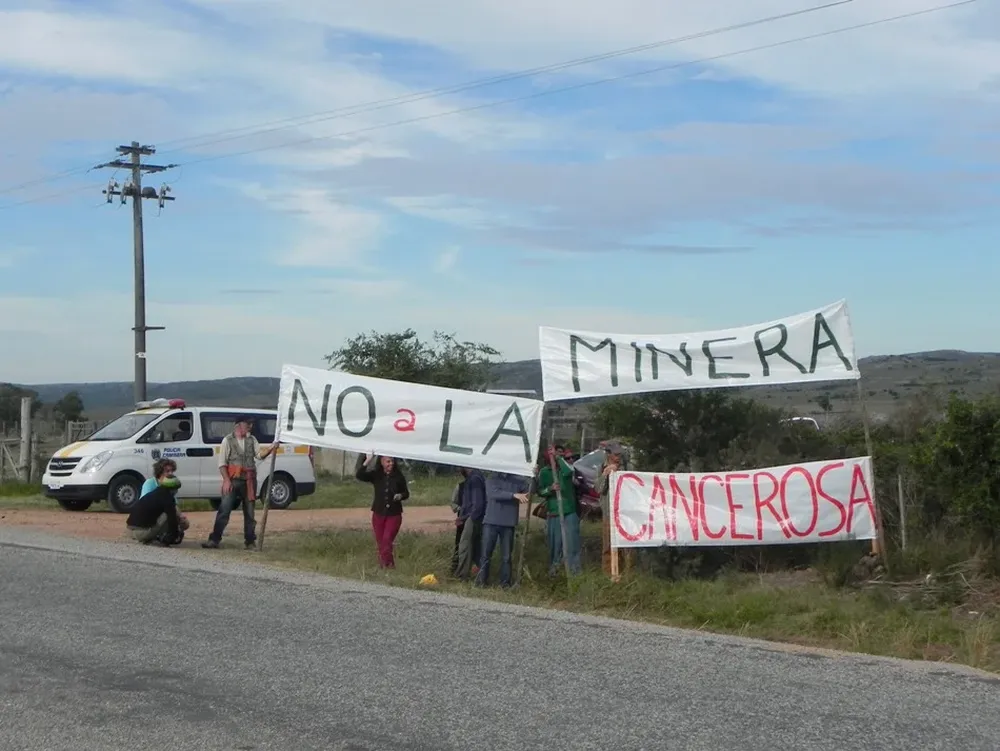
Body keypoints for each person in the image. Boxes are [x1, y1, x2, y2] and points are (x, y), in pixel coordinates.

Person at [202, 415, 280, 550]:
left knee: (250, 512)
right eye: (247, 424)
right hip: (233, 480)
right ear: (238, 425)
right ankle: (214, 539)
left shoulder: (252, 439)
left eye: (251, 424)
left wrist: (271, 448)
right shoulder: (227, 440)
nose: (250, 426)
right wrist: (226, 480)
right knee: (224, 510)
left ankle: (250, 541)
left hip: (249, 480)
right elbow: (222, 464)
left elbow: (259, 455)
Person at [475, 472, 530, 588]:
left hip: (508, 523)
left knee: (506, 556)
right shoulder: (492, 477)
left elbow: (530, 491)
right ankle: (481, 582)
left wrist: (534, 475)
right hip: (491, 522)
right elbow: (493, 493)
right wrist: (513, 495)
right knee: (485, 554)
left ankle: (505, 584)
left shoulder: (518, 479)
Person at [356, 452, 410, 568]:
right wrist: (367, 460)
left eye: (392, 461)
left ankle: (387, 567)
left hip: (394, 514)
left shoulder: (398, 476)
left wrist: (400, 495)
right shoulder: (377, 475)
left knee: (387, 540)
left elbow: (406, 493)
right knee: (381, 543)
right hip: (378, 513)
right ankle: (387, 566)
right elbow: (360, 475)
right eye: (388, 461)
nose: (391, 463)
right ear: (382, 462)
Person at [536, 446, 583, 576]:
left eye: (563, 455)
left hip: (569, 512)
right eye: (557, 454)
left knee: (572, 545)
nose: (562, 457)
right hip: (554, 512)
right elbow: (540, 491)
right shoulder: (545, 472)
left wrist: (558, 458)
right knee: (555, 546)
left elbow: (569, 472)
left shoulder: (566, 468)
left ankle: (574, 574)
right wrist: (550, 489)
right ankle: (554, 572)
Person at [594, 441, 632, 575]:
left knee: (627, 547)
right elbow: (598, 489)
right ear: (608, 454)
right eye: (615, 454)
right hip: (609, 514)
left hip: (625, 514)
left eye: (620, 454)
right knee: (608, 547)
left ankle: (627, 574)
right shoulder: (600, 468)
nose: (618, 457)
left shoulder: (627, 468)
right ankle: (609, 574)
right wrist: (606, 474)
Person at [126, 469, 187, 546]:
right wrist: (173, 536)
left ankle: (153, 536)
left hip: (130, 530)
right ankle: (157, 537)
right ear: (172, 489)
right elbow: (172, 520)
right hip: (140, 533)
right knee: (168, 515)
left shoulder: (155, 493)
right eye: (176, 489)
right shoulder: (167, 498)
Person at [454, 467, 486, 580]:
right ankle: (480, 575)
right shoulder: (473, 478)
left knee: (464, 546)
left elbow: (477, 505)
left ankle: (461, 575)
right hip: (473, 517)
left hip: (473, 518)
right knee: (476, 548)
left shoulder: (475, 479)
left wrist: (465, 518)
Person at [449, 472, 466, 575]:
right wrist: (460, 508)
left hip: (477, 519)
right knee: (459, 544)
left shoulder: (481, 486)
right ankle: (455, 569)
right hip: (462, 519)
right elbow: (453, 502)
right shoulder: (460, 486)